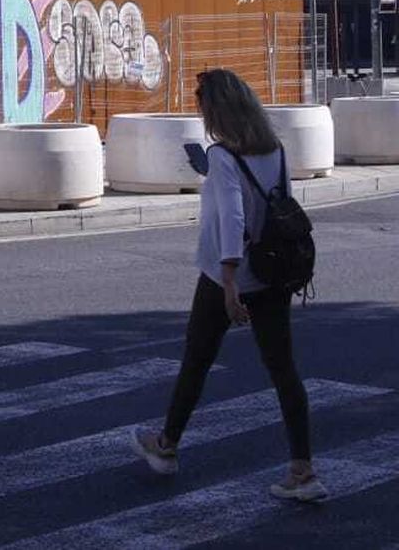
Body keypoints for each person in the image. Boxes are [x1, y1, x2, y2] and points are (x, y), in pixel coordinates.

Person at [131, 68, 325, 501]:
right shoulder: (274, 149)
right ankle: (304, 470)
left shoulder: (223, 156)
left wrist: (231, 284)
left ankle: (166, 447)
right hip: (274, 273)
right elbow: (282, 204)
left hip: (226, 277)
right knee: (284, 370)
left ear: (216, 111)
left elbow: (234, 218)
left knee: (196, 362)